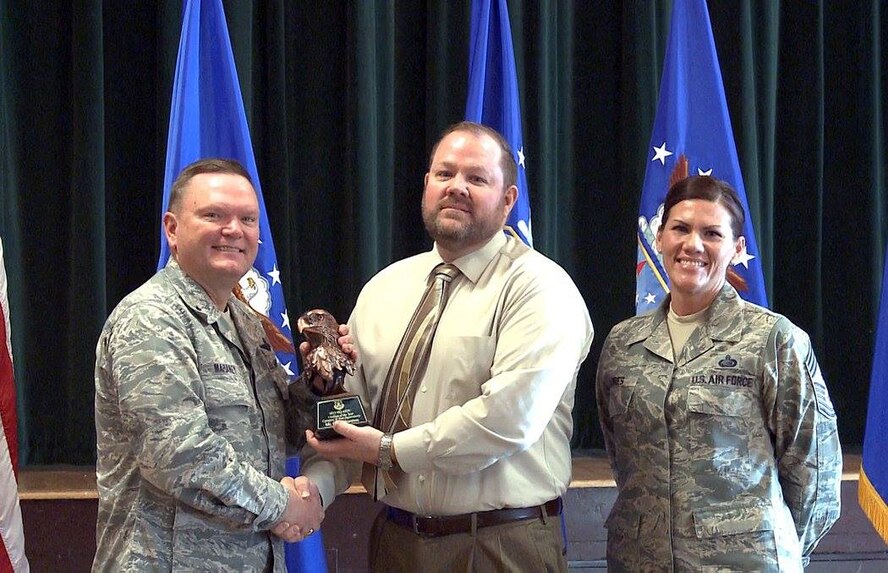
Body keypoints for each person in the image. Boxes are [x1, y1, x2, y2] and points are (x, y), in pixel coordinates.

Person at [302, 121, 594, 572]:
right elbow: (352, 418)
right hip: (397, 540)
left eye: (476, 179)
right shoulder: (385, 288)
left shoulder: (540, 289)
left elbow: (507, 420)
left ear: (508, 200)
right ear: (427, 185)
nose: (457, 187)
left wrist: (388, 451)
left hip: (500, 544)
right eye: (445, 174)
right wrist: (313, 489)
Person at [93, 158, 341, 572]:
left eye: (247, 218)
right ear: (172, 229)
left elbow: (281, 433)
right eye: (214, 215)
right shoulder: (152, 319)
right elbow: (178, 457)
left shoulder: (244, 321)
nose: (234, 230)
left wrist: (320, 380)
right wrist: (286, 506)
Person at [596, 175, 842, 572]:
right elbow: (622, 457)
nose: (693, 245)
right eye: (680, 228)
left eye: (712, 233)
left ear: (736, 248)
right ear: (659, 238)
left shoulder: (773, 340)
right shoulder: (623, 344)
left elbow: (814, 473)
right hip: (639, 560)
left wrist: (777, 549)